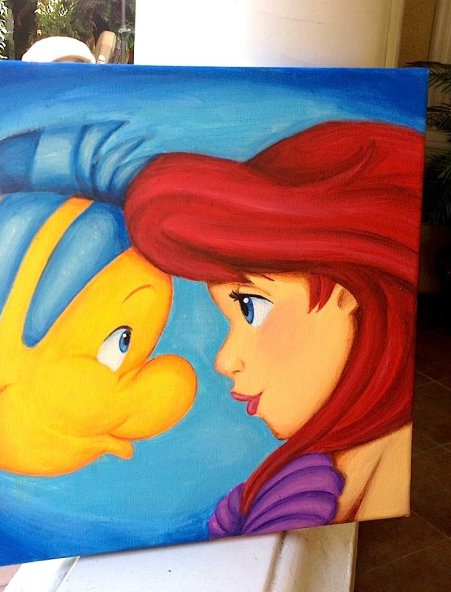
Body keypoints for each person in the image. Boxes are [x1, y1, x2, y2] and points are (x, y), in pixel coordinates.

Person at [124, 120, 424, 536]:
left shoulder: (340, 487)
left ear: (346, 294)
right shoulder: (315, 484)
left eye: (252, 308)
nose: (225, 360)